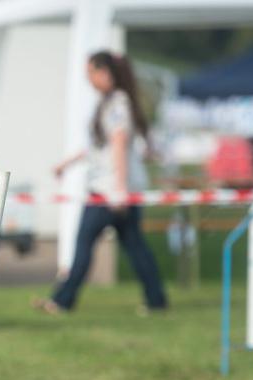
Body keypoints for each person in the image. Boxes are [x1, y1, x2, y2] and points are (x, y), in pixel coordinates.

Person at [35, 51, 168, 314]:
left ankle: (62, 300)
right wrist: (67, 163)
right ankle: (156, 299)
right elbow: (100, 147)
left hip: (109, 190)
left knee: (84, 242)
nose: (89, 79)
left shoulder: (117, 103)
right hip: (115, 188)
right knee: (135, 245)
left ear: (105, 73)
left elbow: (118, 144)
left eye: (91, 73)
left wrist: (118, 189)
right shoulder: (112, 102)